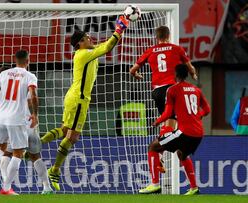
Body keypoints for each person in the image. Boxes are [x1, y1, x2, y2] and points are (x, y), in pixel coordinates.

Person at [39, 16, 129, 191]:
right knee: (72, 136)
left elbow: (105, 46)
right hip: (79, 99)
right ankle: (54, 169)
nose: (91, 39)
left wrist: (120, 27)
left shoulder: (86, 52)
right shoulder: (83, 54)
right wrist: (120, 28)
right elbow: (108, 46)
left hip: (75, 98)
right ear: (80, 43)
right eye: (87, 37)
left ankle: (38, 144)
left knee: (65, 131)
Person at [139, 64, 210, 195]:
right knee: (181, 154)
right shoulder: (196, 89)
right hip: (199, 133)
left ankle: (154, 184)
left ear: (175, 75)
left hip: (185, 132)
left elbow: (167, 113)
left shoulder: (172, 90)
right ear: (187, 74)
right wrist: (196, 117)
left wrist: (157, 122)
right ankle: (194, 188)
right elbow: (207, 110)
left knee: (153, 146)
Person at [0, 49, 38, 195]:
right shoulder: (30, 76)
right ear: (28, 61)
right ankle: (6, 187)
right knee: (18, 153)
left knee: (0, 147)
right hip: (16, 118)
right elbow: (33, 96)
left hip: (1, 117)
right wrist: (34, 114)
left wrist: (0, 107)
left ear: (14, 60)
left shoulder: (3, 74)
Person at [130, 25, 198, 129]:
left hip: (158, 92)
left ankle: (166, 139)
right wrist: (193, 74)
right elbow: (190, 67)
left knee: (167, 119)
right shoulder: (177, 49)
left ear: (156, 38)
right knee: (174, 120)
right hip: (172, 89)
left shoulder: (150, 50)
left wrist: (136, 75)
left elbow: (132, 70)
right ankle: (167, 142)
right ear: (169, 36)